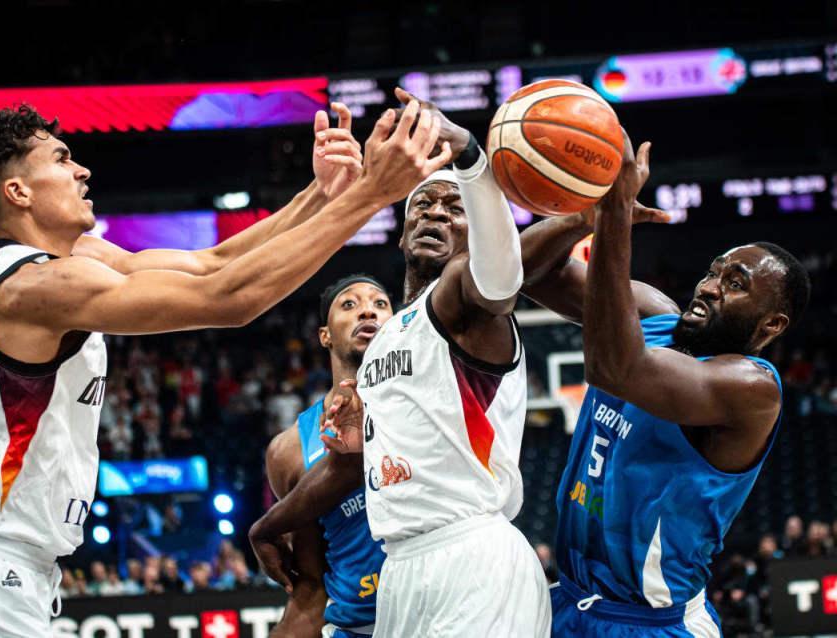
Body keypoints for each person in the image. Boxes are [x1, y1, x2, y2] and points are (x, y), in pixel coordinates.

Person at [0, 98, 452, 638]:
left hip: (1, 574)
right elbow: (228, 299)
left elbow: (211, 262)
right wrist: (373, 195)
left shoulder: (77, 258)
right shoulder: (35, 287)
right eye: (61, 159)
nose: (82, 170)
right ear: (18, 192)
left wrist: (322, 195)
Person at [253, 88, 552, 637]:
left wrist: (472, 160)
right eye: (422, 206)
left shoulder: (467, 303)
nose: (435, 212)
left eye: (453, 208)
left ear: (474, 233)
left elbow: (500, 278)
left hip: (470, 556)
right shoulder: (389, 339)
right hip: (402, 565)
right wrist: (269, 525)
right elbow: (346, 470)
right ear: (401, 234)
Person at [531, 135, 810, 636]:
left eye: (736, 284)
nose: (710, 287)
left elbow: (613, 368)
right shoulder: (656, 316)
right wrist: (581, 217)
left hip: (651, 622)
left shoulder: (752, 388)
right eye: (713, 272)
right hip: (571, 602)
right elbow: (530, 273)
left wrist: (615, 217)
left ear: (771, 325)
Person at [262, 275, 393, 637]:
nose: (367, 311)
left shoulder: (430, 407)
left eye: (380, 304)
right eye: (349, 304)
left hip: (441, 612)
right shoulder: (289, 451)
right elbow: (312, 582)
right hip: (361, 627)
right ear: (325, 336)